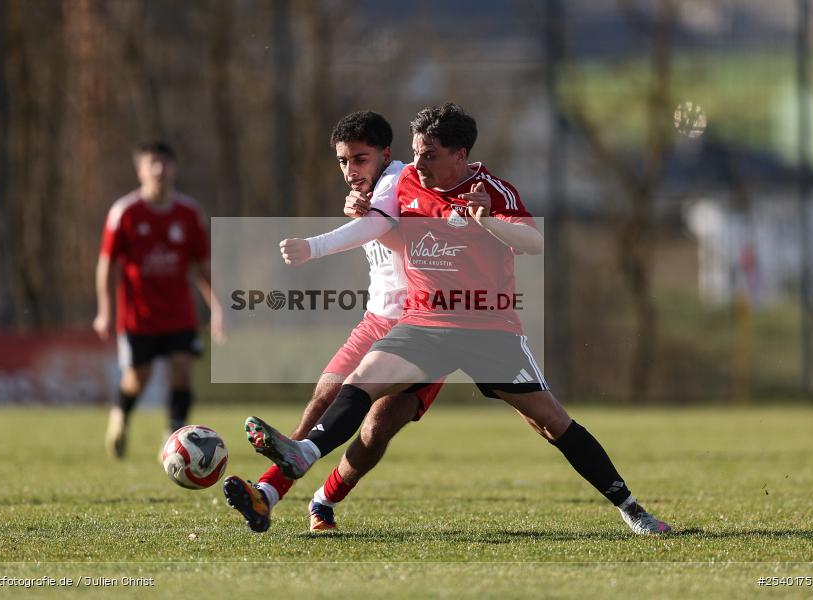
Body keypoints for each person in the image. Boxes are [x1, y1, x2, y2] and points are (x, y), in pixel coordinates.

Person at [245, 103, 672, 535]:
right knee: (360, 381)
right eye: (415, 152)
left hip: (488, 329)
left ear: (460, 155)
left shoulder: (493, 190)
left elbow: (533, 243)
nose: (418, 163)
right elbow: (381, 224)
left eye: (429, 154)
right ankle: (305, 453)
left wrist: (488, 222)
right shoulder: (405, 181)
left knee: (551, 422)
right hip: (423, 323)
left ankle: (631, 508)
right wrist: (353, 216)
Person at [222, 111, 443, 533]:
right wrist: (365, 218)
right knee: (324, 394)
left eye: (359, 159)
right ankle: (266, 495)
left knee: (376, 429)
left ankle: (324, 499)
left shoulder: (401, 179)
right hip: (378, 319)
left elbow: (383, 230)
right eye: (342, 161)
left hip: (426, 325)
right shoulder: (370, 192)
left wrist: (313, 246)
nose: (349, 170)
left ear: (385, 155)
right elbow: (381, 232)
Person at [94, 141, 223, 459]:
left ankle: (175, 436)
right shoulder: (124, 212)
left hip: (179, 312)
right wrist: (105, 311)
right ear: (139, 171)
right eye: (152, 163)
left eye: (164, 163)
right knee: (139, 377)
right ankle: (120, 416)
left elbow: (202, 267)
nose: (159, 169)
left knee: (182, 367)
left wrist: (217, 307)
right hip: (139, 315)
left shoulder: (189, 214)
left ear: (174, 168)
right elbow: (106, 265)